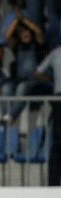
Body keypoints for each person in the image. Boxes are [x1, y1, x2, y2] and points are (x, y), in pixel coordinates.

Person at [34, 44, 61, 186]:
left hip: (58, 99)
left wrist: (52, 80)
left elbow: (38, 72)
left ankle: (54, 182)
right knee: (57, 142)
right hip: (58, 100)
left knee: (57, 142)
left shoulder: (56, 52)